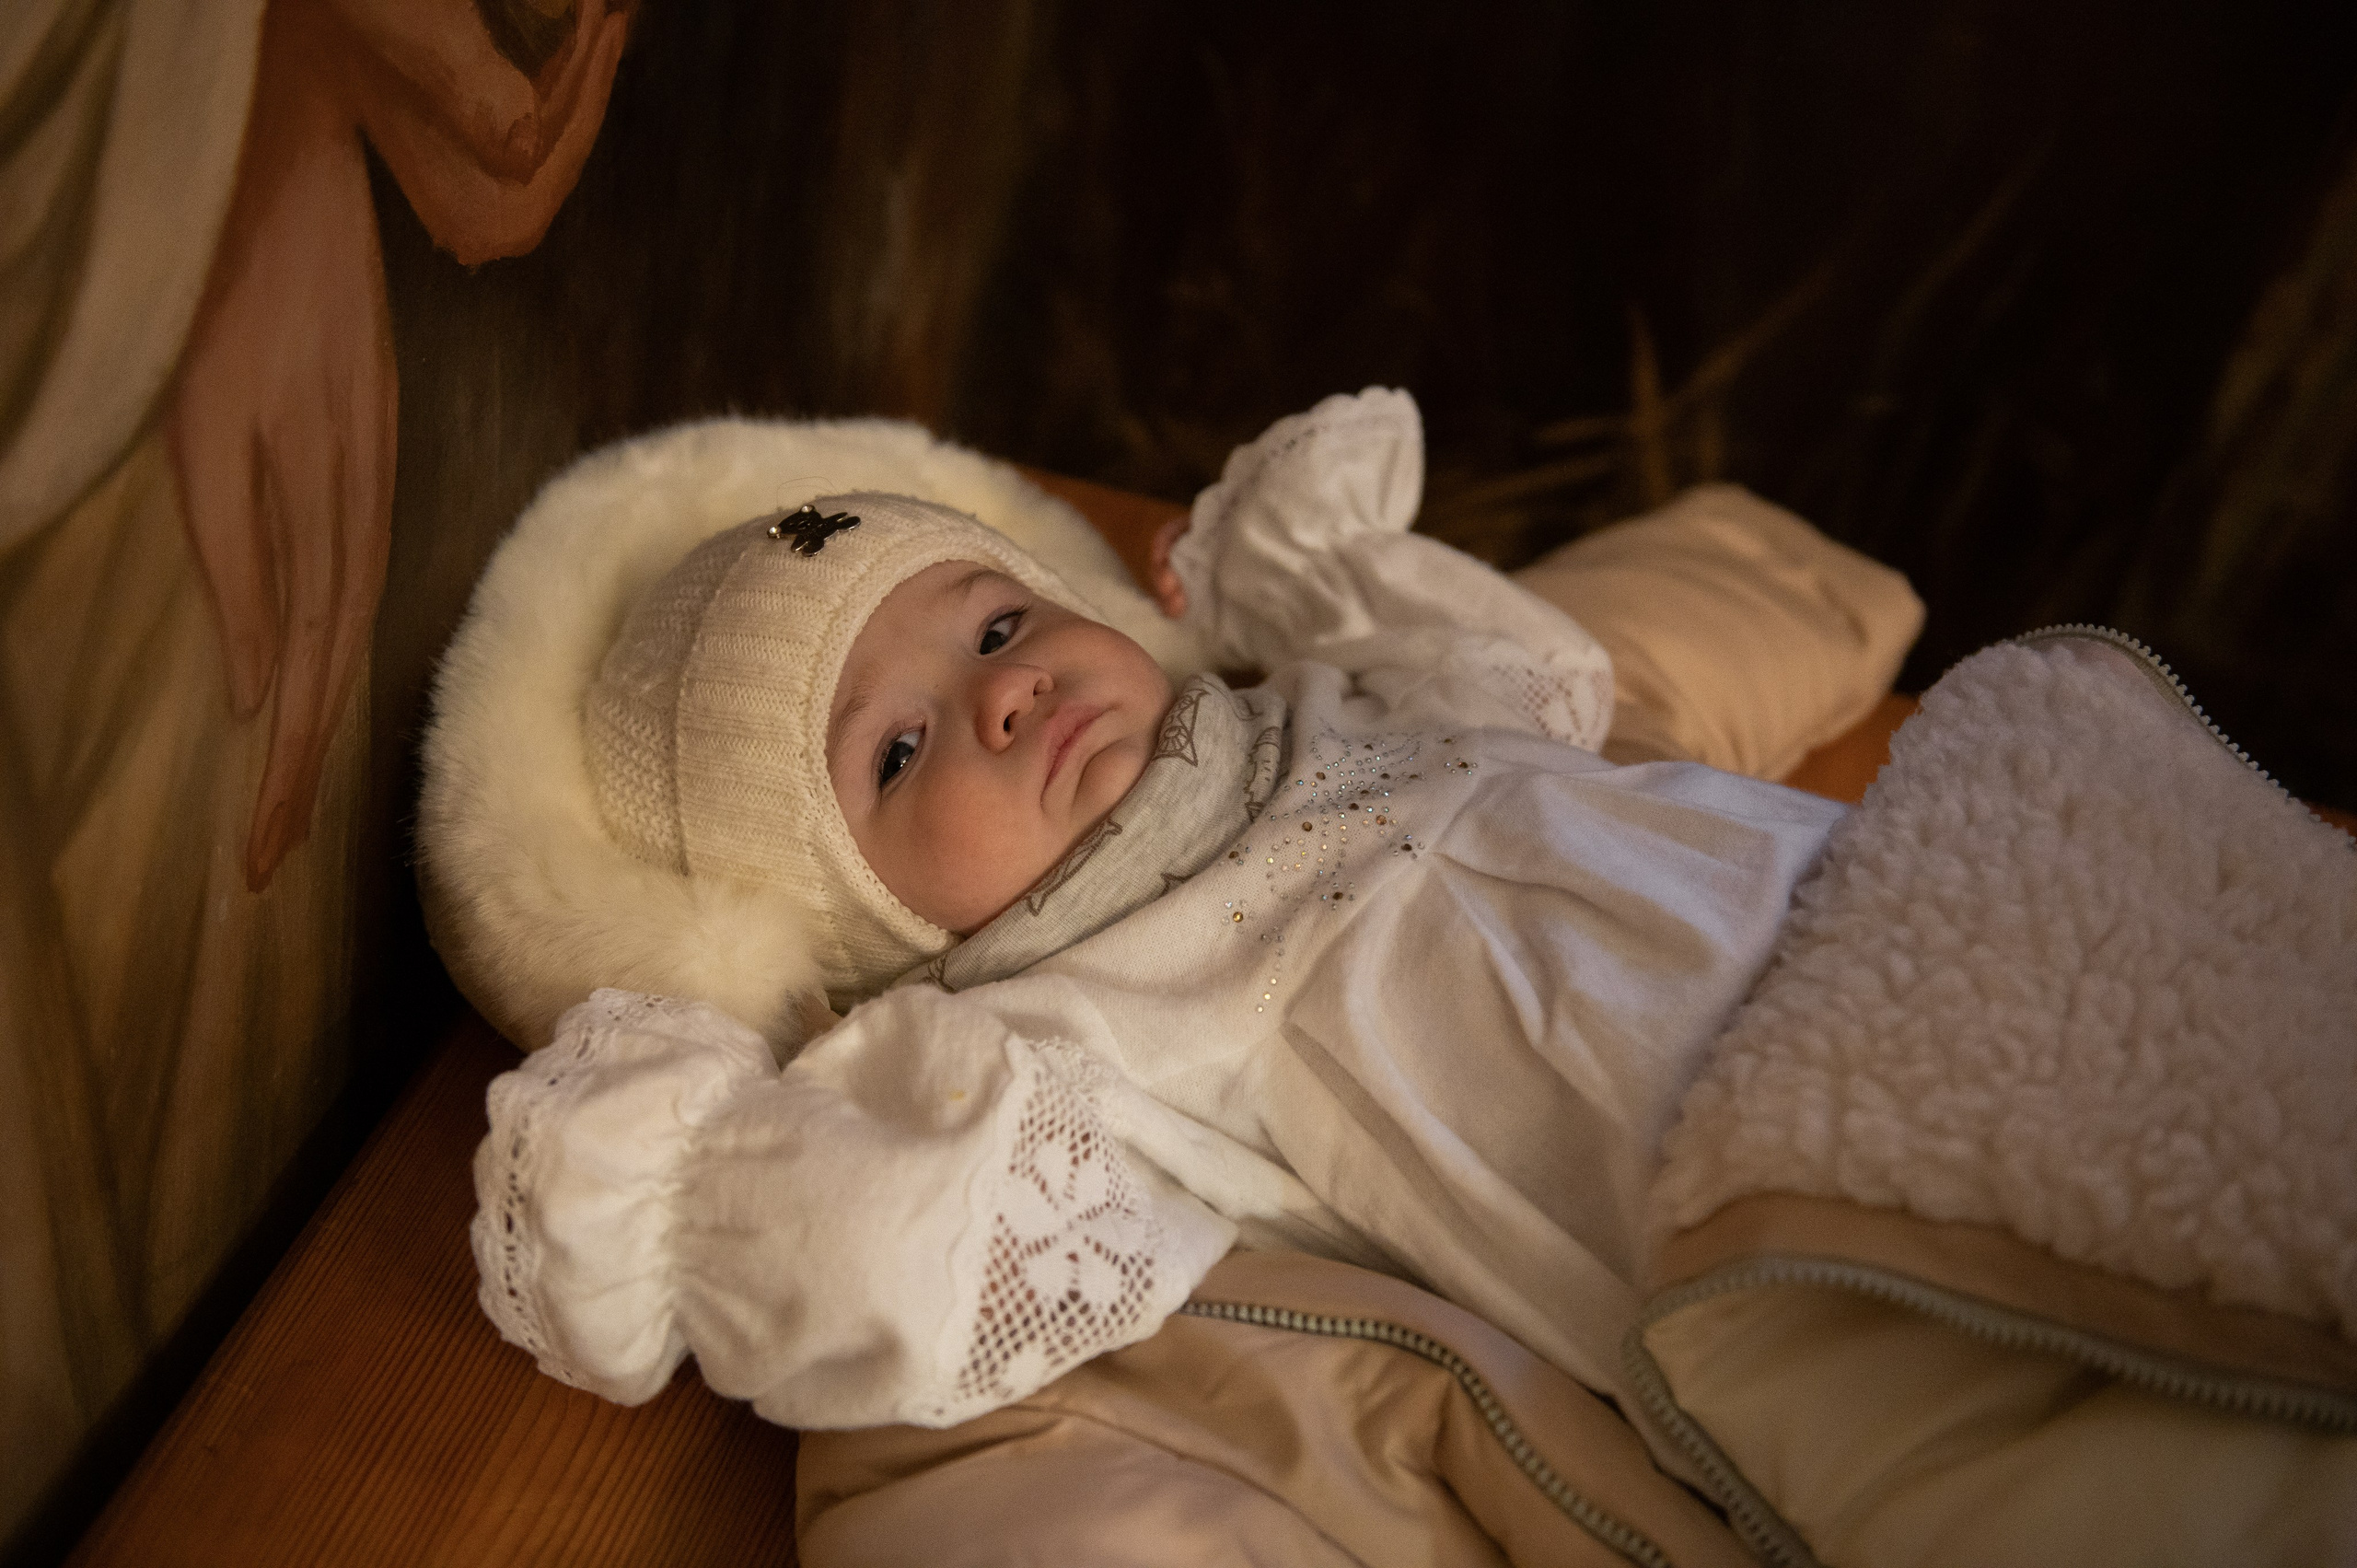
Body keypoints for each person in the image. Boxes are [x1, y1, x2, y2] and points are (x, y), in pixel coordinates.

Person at [436, 389, 1846, 1435]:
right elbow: (900, 1249)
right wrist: (691, 1184)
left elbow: (1536, 682)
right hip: (1757, 1192)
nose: (1009, 689)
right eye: (898, 752)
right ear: (861, 918)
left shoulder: (1312, 701)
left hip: (1853, 893)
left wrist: (1308, 583)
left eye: (997, 625)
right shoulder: (1063, 1034)